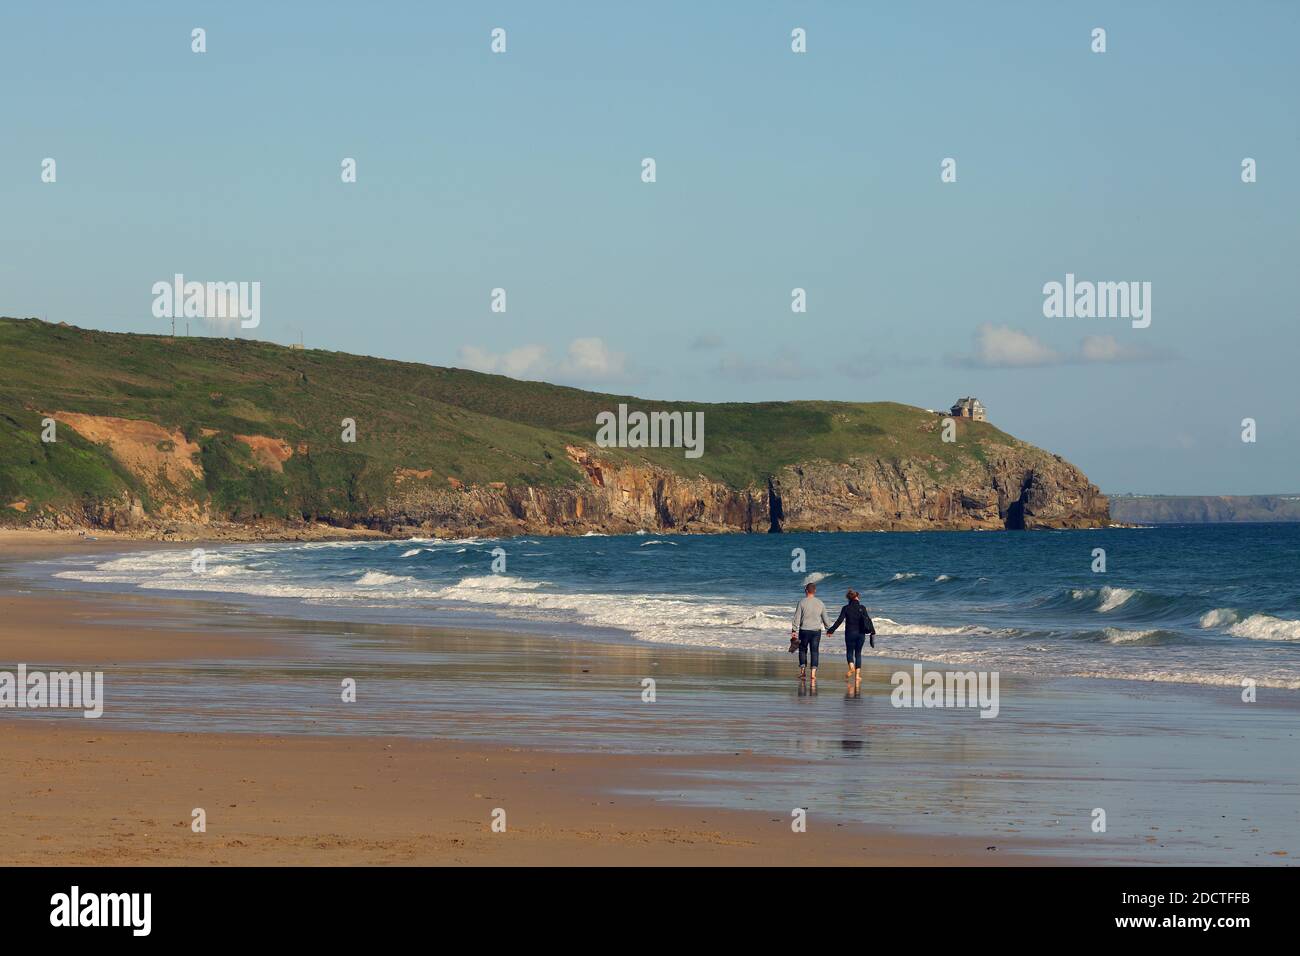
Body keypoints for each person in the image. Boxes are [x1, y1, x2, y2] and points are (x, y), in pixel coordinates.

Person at [827, 589, 876, 680]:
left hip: (850, 633)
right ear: (857, 597)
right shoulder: (862, 607)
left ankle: (851, 668)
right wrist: (873, 631)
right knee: (858, 653)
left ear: (848, 598)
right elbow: (869, 620)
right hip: (861, 633)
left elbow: (839, 620)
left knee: (849, 652)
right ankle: (857, 676)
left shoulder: (845, 608)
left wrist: (831, 630)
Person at [790, 582, 831, 682]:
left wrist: (794, 630)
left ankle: (803, 672)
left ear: (806, 590)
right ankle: (813, 674)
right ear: (815, 591)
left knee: (803, 650)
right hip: (816, 631)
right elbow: (825, 618)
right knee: (815, 651)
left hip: (804, 630)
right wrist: (828, 629)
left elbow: (797, 617)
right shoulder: (820, 603)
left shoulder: (802, 602)